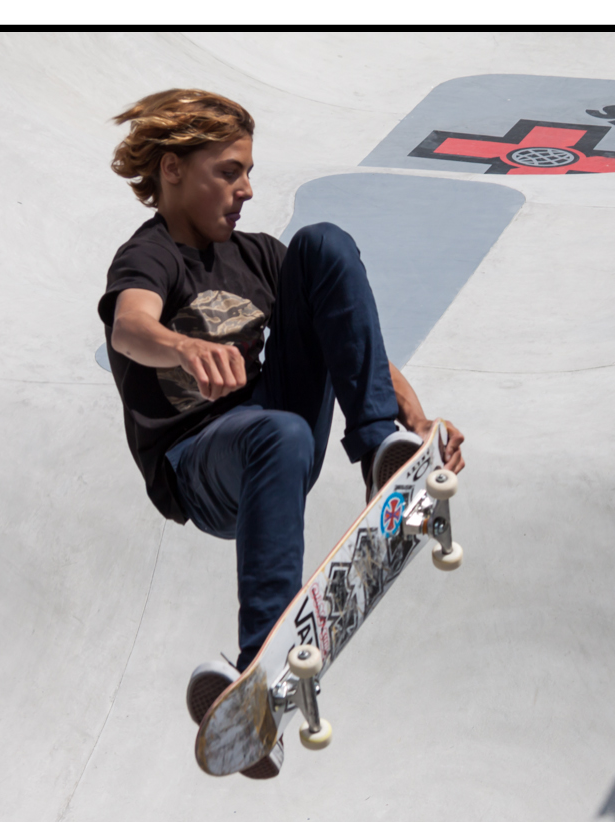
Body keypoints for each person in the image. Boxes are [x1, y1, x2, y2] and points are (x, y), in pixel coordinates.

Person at [98, 89, 466, 778]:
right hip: (202, 463)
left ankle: (378, 448)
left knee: (322, 246)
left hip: (272, 429)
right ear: (173, 170)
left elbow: (353, 338)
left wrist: (417, 425)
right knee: (282, 435)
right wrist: (182, 348)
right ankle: (255, 663)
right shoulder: (150, 256)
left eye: (248, 172)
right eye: (228, 172)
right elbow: (130, 325)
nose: (246, 190)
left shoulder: (260, 258)